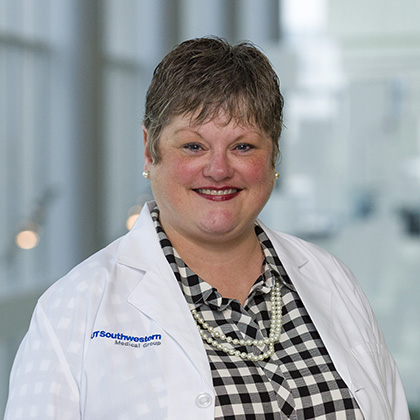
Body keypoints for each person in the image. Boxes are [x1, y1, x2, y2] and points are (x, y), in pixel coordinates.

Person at [4, 37, 409, 420]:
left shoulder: (332, 279)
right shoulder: (72, 308)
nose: (218, 170)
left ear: (273, 155)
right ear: (149, 150)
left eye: (243, 146)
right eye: (193, 146)